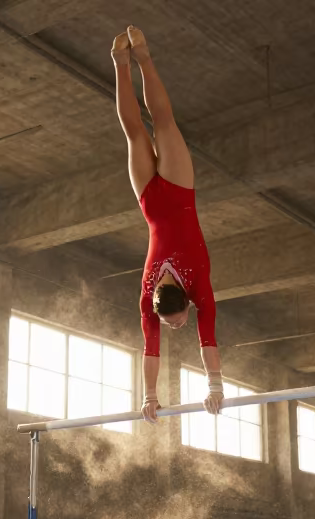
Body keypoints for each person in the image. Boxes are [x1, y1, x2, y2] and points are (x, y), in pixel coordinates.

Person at [111, 26, 223, 424]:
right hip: (153, 201)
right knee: (140, 130)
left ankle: (139, 55)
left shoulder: (198, 287)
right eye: (177, 323)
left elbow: (199, 339)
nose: (176, 327)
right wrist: (151, 396)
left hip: (173, 194)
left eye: (173, 322)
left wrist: (215, 385)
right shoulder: (148, 295)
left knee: (157, 122)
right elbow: (152, 348)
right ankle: (125, 61)